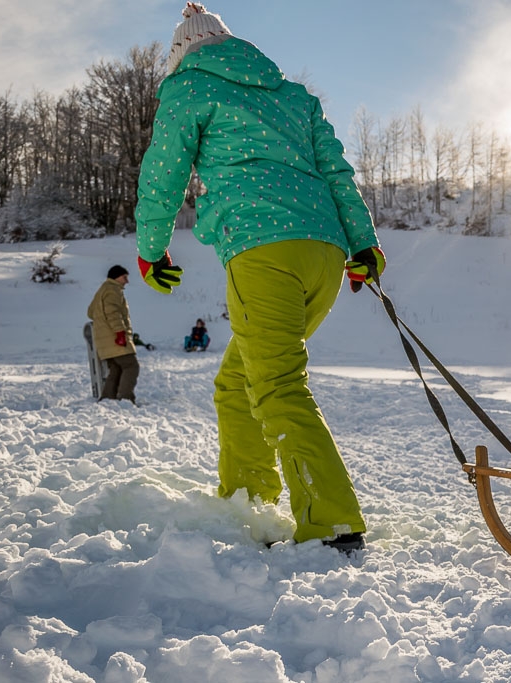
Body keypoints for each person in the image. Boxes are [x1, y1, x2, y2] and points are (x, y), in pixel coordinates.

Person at [134, 3, 385, 553]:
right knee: (235, 383)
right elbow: (337, 173)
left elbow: (164, 169)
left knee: (276, 385)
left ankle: (333, 522)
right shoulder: (294, 97)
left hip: (262, 250)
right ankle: (247, 499)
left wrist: (152, 249)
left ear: (182, 54)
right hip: (322, 253)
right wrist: (363, 244)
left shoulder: (190, 88)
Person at [87, 265, 139, 403]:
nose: (127, 281)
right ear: (116, 277)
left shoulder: (102, 290)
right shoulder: (112, 290)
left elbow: (91, 312)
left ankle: (108, 399)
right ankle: (125, 398)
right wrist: (120, 333)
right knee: (131, 366)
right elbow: (113, 313)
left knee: (116, 369)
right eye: (124, 277)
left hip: (105, 341)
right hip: (115, 338)